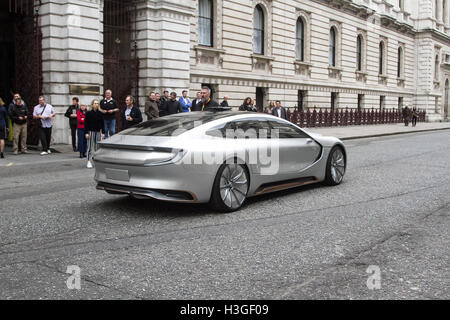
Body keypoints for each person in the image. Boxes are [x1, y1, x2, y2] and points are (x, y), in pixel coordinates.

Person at [84, 99, 105, 169]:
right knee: (89, 147)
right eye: (95, 103)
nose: (96, 104)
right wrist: (86, 133)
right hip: (91, 131)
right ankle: (88, 161)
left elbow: (102, 124)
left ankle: (96, 161)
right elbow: (86, 124)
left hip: (98, 131)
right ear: (92, 104)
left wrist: (103, 133)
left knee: (97, 147)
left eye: (97, 103)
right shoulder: (88, 113)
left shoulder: (100, 113)